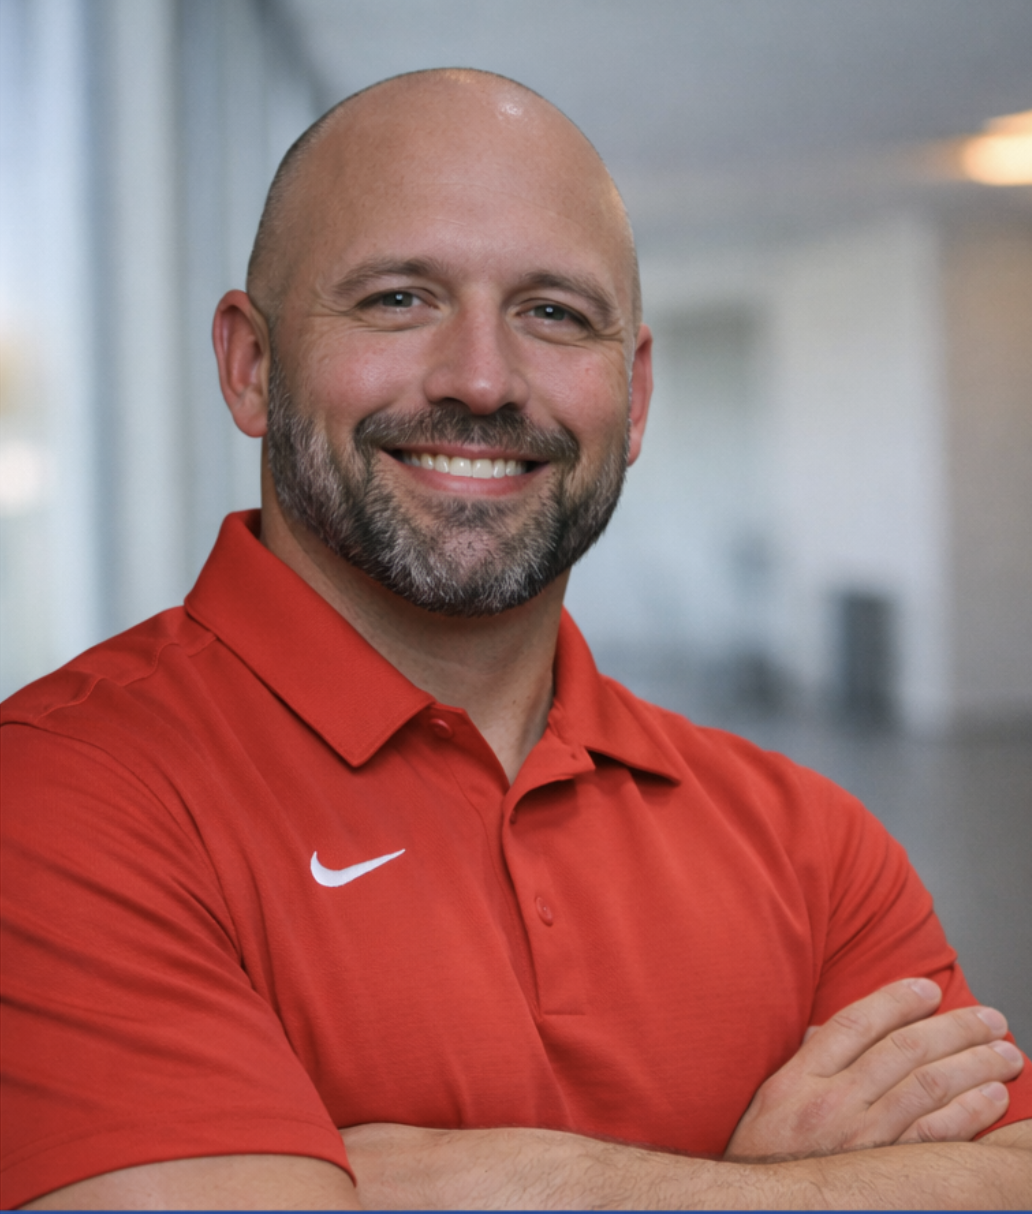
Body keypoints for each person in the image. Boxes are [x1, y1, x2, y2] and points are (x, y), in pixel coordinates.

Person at [1, 68, 1030, 1210]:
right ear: (252, 365)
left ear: (631, 397)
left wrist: (559, 1183)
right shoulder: (55, 797)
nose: (483, 381)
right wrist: (796, 1188)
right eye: (399, 298)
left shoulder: (810, 846)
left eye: (553, 313)